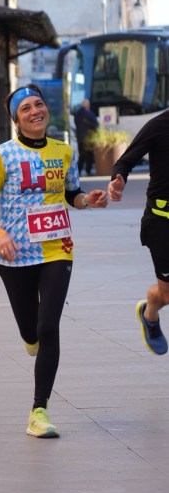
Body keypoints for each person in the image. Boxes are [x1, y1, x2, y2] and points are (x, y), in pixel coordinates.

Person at [0, 84, 108, 438]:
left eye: (39, 104)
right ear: (16, 121)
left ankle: (39, 410)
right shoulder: (3, 155)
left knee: (49, 327)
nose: (35, 111)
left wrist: (88, 201)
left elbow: (71, 194)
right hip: (14, 255)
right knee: (32, 332)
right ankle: (30, 337)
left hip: (56, 249)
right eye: (26, 109)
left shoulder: (64, 151)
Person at [108, 109, 169, 356]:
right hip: (162, 222)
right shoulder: (159, 125)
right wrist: (118, 180)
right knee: (166, 295)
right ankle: (149, 312)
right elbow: (125, 161)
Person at [74, 98, 99, 175]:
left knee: (82, 155)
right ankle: (88, 170)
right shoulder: (89, 113)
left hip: (80, 138)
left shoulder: (77, 114)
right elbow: (96, 124)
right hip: (88, 138)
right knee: (89, 155)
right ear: (88, 105)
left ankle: (78, 170)